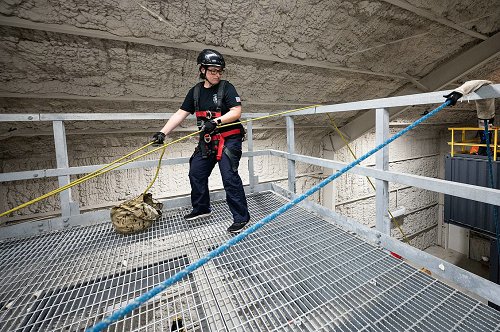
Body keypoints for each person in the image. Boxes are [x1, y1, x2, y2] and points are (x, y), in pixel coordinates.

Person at [152, 49, 250, 233]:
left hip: (229, 139)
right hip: (208, 140)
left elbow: (236, 111)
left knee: (229, 177)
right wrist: (162, 133)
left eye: (220, 71)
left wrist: (216, 121)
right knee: (196, 171)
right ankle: (201, 208)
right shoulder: (195, 92)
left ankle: (241, 218)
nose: (217, 74)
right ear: (202, 70)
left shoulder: (226, 88)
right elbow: (180, 113)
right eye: (213, 71)